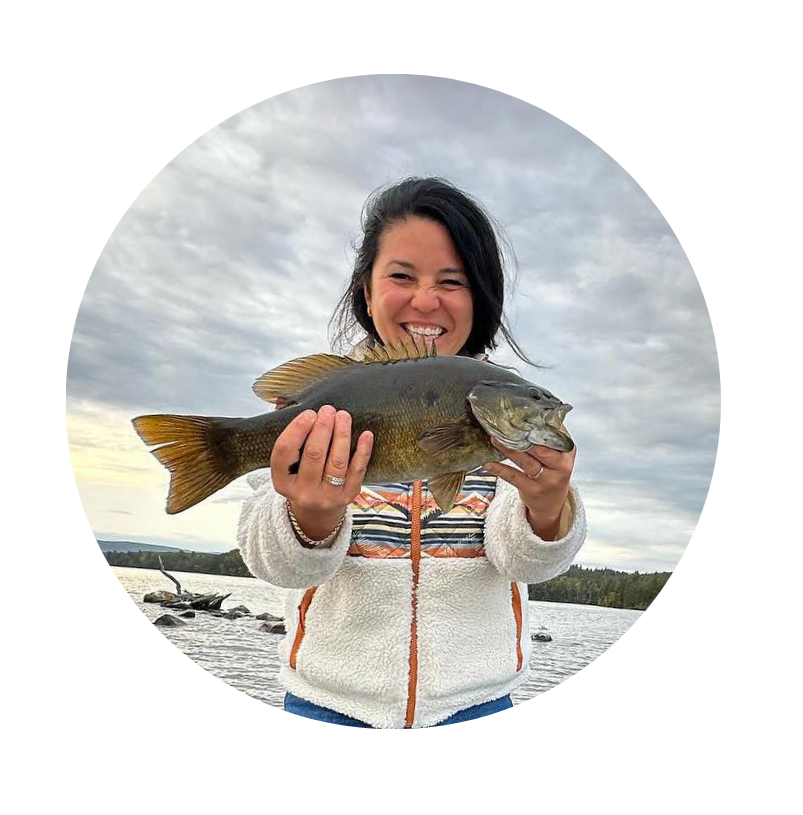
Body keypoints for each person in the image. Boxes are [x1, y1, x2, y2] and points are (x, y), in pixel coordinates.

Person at [237, 177, 587, 728]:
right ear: (366, 290)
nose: (426, 300)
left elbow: (524, 563)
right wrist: (310, 515)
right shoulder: (317, 405)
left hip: (479, 714)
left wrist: (548, 509)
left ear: (483, 297)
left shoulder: (504, 407)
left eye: (453, 281)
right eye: (402, 276)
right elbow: (272, 564)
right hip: (326, 711)